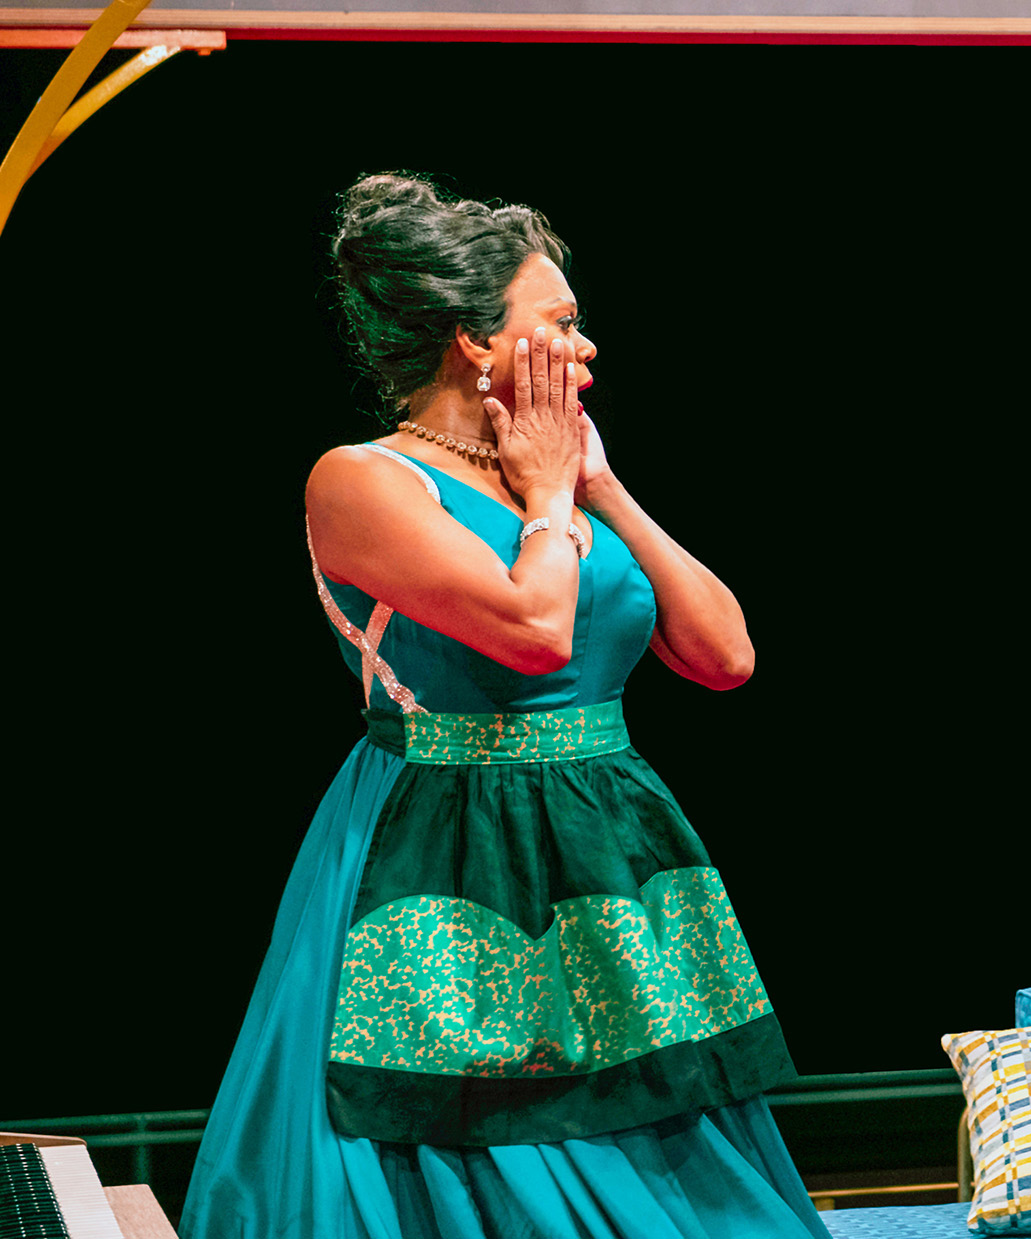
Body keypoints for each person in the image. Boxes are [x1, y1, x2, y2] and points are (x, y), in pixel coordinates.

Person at [181, 173, 830, 1239]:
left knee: (648, 1120)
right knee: (467, 1117)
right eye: (560, 324)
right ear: (477, 344)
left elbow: (724, 656)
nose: (585, 350)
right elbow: (533, 635)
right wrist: (553, 497)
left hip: (605, 837)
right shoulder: (365, 481)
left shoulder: (556, 487)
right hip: (449, 837)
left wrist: (599, 488)